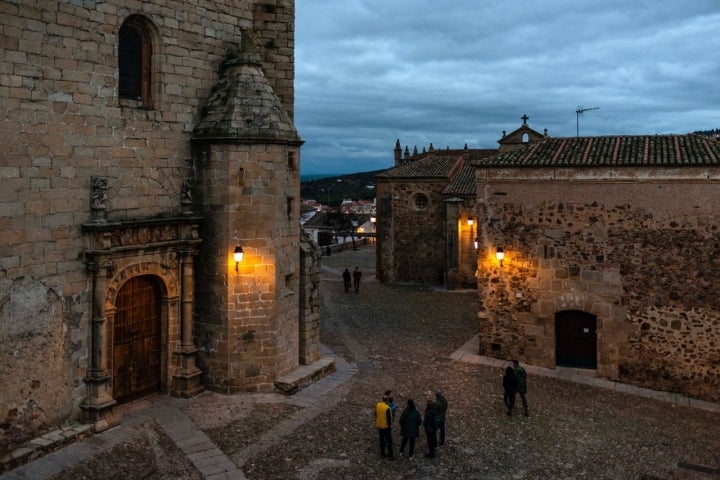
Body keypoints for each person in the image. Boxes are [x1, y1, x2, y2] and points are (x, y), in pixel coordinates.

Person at [375, 393, 395, 459]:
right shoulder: (387, 408)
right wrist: (390, 426)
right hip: (386, 427)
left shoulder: (378, 405)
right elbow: (389, 419)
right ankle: (390, 455)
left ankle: (382, 454)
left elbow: (375, 414)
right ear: (387, 401)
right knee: (389, 440)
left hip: (379, 425)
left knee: (382, 440)